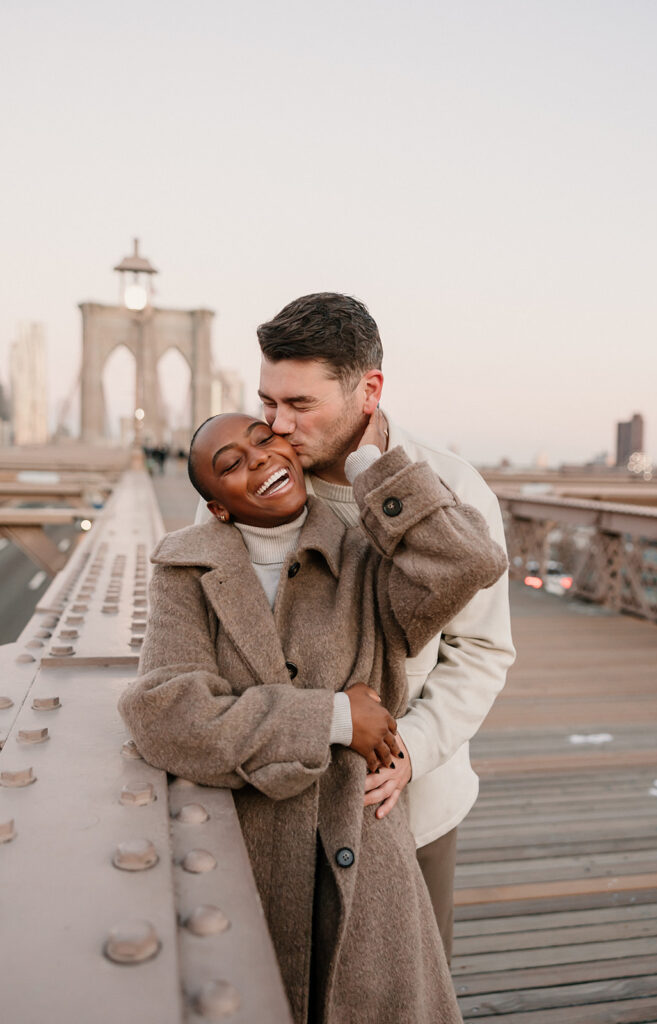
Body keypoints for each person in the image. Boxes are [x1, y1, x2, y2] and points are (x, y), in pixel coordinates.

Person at [120, 411, 507, 1024]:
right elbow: (165, 713)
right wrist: (332, 718)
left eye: (266, 438)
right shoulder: (185, 571)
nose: (260, 458)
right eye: (231, 465)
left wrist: (376, 466)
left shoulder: (368, 553)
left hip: (366, 858)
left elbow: (468, 563)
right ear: (217, 507)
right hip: (243, 861)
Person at [253, 293, 516, 958]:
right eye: (266, 402)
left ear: (368, 390)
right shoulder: (251, 485)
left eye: (300, 405)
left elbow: (481, 650)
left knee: (411, 989)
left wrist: (413, 751)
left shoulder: (453, 488)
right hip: (283, 805)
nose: (278, 426)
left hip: (410, 806)